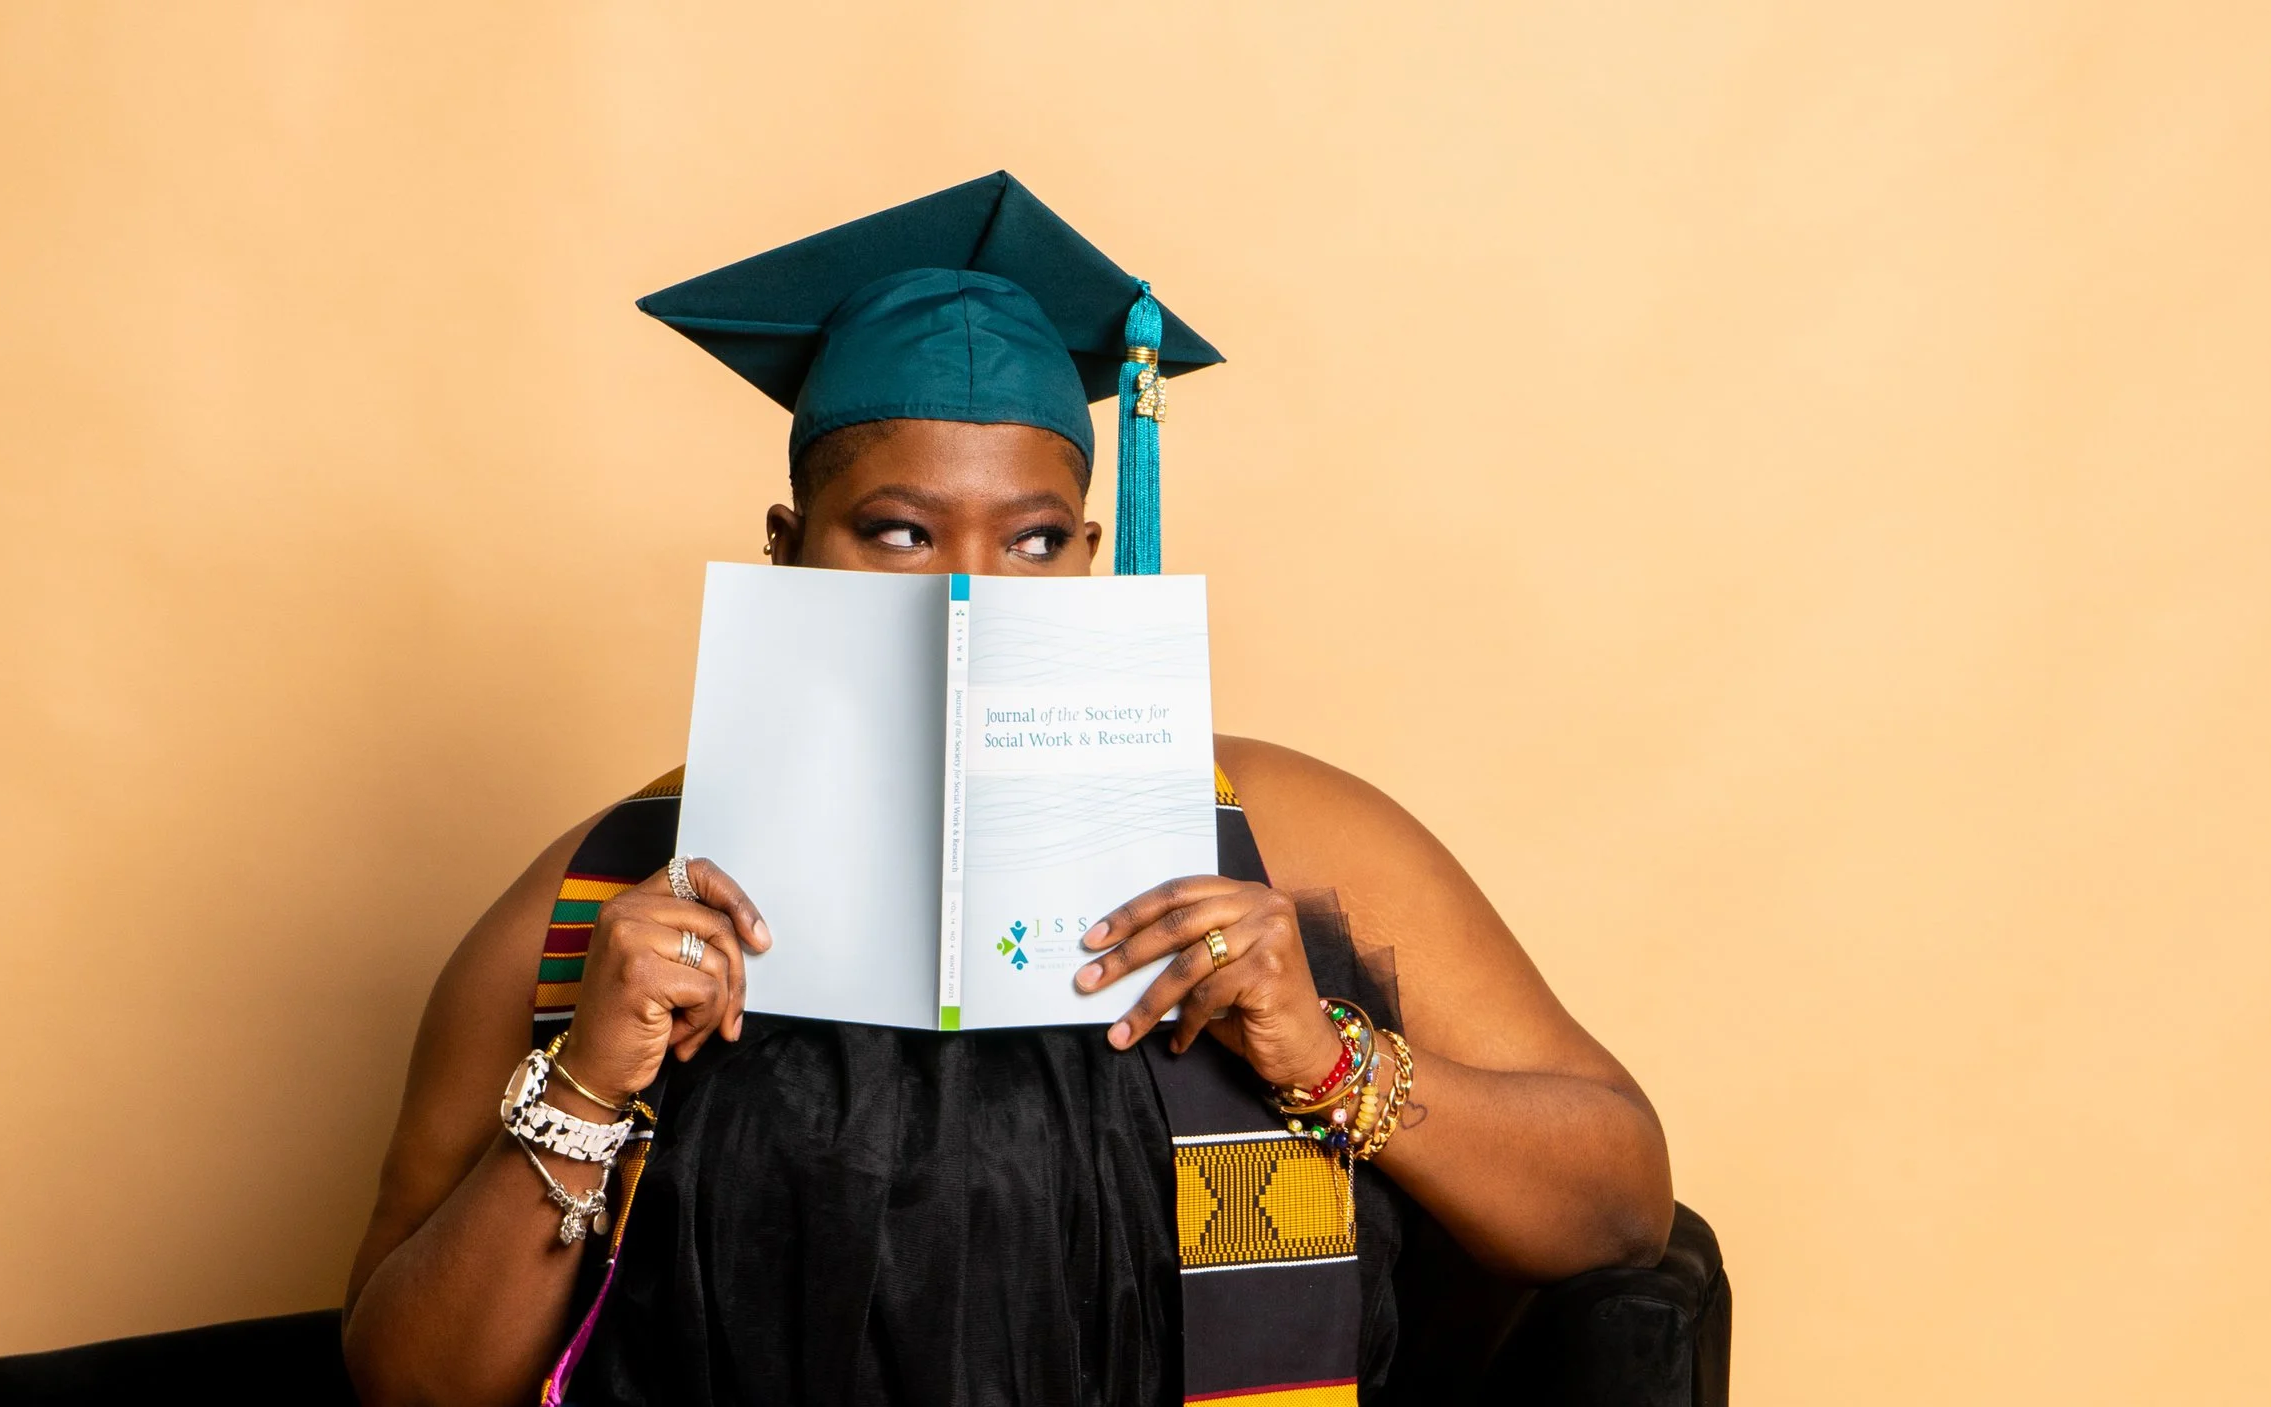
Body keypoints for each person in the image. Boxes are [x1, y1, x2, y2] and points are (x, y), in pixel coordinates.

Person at [339, 173, 1674, 1407]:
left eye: (1033, 541)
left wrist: (1328, 1058)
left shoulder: (1296, 836)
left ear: (1095, 555)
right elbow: (405, 1379)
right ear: (788, 550)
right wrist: (585, 1085)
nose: (966, 591)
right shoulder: (608, 892)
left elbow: (1621, 1207)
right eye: (901, 531)